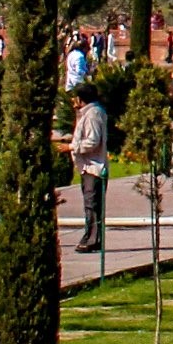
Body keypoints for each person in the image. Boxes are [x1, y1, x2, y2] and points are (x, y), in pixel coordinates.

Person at [69, 89, 111, 253]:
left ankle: (92, 239)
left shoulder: (93, 114)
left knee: (92, 204)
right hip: (87, 166)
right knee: (90, 204)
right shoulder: (89, 112)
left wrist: (72, 147)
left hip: (94, 167)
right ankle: (93, 237)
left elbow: (93, 141)